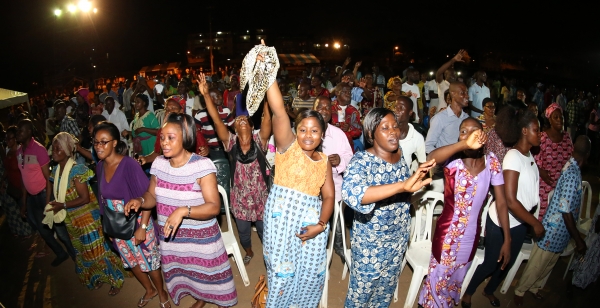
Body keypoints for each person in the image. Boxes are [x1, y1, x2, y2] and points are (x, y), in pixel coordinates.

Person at [124, 112, 238, 308]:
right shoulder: (159, 164)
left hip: (201, 239)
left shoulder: (202, 165)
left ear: (185, 137)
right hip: (174, 239)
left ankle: (210, 298)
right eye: (162, 137)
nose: (164, 143)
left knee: (207, 272)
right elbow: (152, 196)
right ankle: (200, 297)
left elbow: (213, 206)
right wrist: (140, 200)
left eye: (170, 137)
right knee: (188, 271)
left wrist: (183, 211)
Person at [258, 45, 335, 307]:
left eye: (315, 131)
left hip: (312, 226)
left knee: (311, 277)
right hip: (281, 224)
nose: (308, 135)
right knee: (282, 275)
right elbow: (279, 110)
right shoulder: (287, 147)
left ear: (322, 135)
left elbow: (329, 197)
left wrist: (321, 224)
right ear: (296, 131)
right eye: (303, 129)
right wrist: (269, 72)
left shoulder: (323, 161)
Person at [343, 107, 435, 306]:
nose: (393, 131)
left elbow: (402, 193)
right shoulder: (362, 161)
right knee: (360, 296)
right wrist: (402, 186)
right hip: (371, 244)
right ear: (370, 134)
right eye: (385, 128)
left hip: (398, 240)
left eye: (395, 126)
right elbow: (352, 194)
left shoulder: (399, 155)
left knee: (384, 294)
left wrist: (410, 186)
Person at [418, 118, 509, 308]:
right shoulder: (453, 161)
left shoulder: (492, 162)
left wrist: (507, 238)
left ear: (483, 134)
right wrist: (463, 144)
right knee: (438, 282)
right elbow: (430, 158)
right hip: (447, 235)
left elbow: (501, 202)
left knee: (454, 283)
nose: (468, 135)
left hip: (471, 237)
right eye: (463, 132)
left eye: (474, 131)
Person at [93, 122, 168, 308]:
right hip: (117, 224)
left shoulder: (129, 165)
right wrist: (108, 227)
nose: (99, 146)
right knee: (131, 260)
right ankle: (148, 290)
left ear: (114, 142)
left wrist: (142, 227)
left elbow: (147, 196)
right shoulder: (100, 167)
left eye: (104, 142)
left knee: (149, 262)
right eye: (96, 143)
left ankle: (161, 292)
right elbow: (102, 199)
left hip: (137, 221)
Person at [200, 73, 272, 265]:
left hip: (260, 196)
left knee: (265, 230)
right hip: (240, 198)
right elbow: (216, 121)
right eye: (237, 119)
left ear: (250, 125)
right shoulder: (230, 142)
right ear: (234, 127)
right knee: (243, 231)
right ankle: (248, 250)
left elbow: (267, 119)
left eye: (244, 119)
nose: (240, 120)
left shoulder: (260, 140)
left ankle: (268, 253)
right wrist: (206, 96)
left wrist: (264, 94)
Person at [513, 135, 590, 306]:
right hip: (554, 228)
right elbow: (566, 211)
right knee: (538, 263)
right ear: (588, 154)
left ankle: (534, 288)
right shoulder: (572, 174)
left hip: (562, 230)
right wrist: (578, 239)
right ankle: (520, 290)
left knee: (549, 263)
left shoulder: (573, 166)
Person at [48, 132, 126, 295]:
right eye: (53, 148)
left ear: (67, 149)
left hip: (88, 219)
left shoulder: (77, 170)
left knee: (98, 251)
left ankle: (115, 279)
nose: (53, 151)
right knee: (84, 252)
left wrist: (61, 205)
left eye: (57, 148)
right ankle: (95, 277)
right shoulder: (56, 171)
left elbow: (84, 199)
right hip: (71, 220)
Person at [17, 119, 76, 266]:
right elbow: (24, 178)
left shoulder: (38, 149)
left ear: (29, 132)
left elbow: (48, 180)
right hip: (31, 197)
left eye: (21, 130)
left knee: (61, 232)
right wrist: (24, 202)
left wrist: (47, 203)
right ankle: (60, 253)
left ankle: (76, 259)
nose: (18, 133)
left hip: (44, 194)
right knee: (42, 230)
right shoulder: (20, 151)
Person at [313, 95, 354, 263]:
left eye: (327, 108)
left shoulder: (337, 134)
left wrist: (340, 161)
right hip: (311, 189)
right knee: (314, 223)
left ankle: (339, 247)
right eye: (320, 107)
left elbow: (349, 156)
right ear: (314, 109)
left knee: (338, 224)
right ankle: (317, 254)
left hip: (335, 186)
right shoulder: (306, 131)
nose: (324, 111)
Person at [534, 103, 573, 221]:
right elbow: (533, 162)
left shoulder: (566, 137)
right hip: (546, 185)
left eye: (561, 117)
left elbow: (571, 160)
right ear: (549, 120)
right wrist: (541, 172)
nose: (559, 120)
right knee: (544, 218)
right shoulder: (543, 138)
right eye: (555, 117)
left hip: (562, 185)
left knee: (559, 219)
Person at [1, 125, 33, 237]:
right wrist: (2, 180)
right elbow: (7, 169)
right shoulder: (8, 152)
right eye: (6, 138)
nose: (7, 141)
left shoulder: (21, 152)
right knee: (21, 212)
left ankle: (36, 235)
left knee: (29, 213)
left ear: (15, 138)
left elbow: (26, 169)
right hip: (13, 188)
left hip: (22, 188)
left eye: (9, 138)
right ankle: (29, 233)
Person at [392, 96, 426, 174]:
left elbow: (423, 164)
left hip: (405, 181)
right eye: (395, 107)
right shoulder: (386, 132)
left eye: (401, 108)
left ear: (410, 113)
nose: (396, 110)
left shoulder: (417, 138)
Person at [331, 82, 363, 152]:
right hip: (330, 145)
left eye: (349, 92)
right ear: (337, 93)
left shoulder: (353, 111)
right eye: (345, 92)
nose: (348, 94)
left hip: (347, 148)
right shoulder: (329, 108)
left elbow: (359, 130)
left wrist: (350, 128)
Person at [433, 50, 463, 115]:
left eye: (455, 74)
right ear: (445, 75)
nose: (454, 75)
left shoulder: (455, 85)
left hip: (454, 113)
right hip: (442, 113)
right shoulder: (442, 84)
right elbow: (439, 72)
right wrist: (453, 60)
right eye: (451, 74)